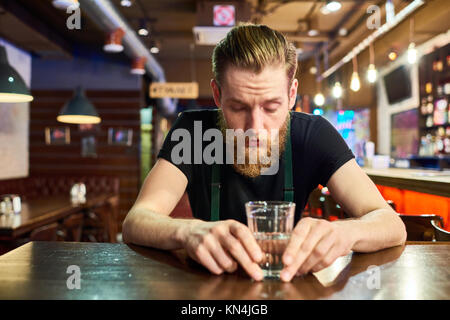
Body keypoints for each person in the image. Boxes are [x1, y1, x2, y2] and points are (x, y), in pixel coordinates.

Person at [122, 23, 406, 282]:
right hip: (207, 287)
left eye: (271, 108)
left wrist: (345, 233)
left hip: (288, 283)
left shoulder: (312, 135)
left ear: (292, 94)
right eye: (238, 107)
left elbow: (390, 224)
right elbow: (137, 220)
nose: (254, 128)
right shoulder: (194, 133)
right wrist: (186, 232)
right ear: (218, 95)